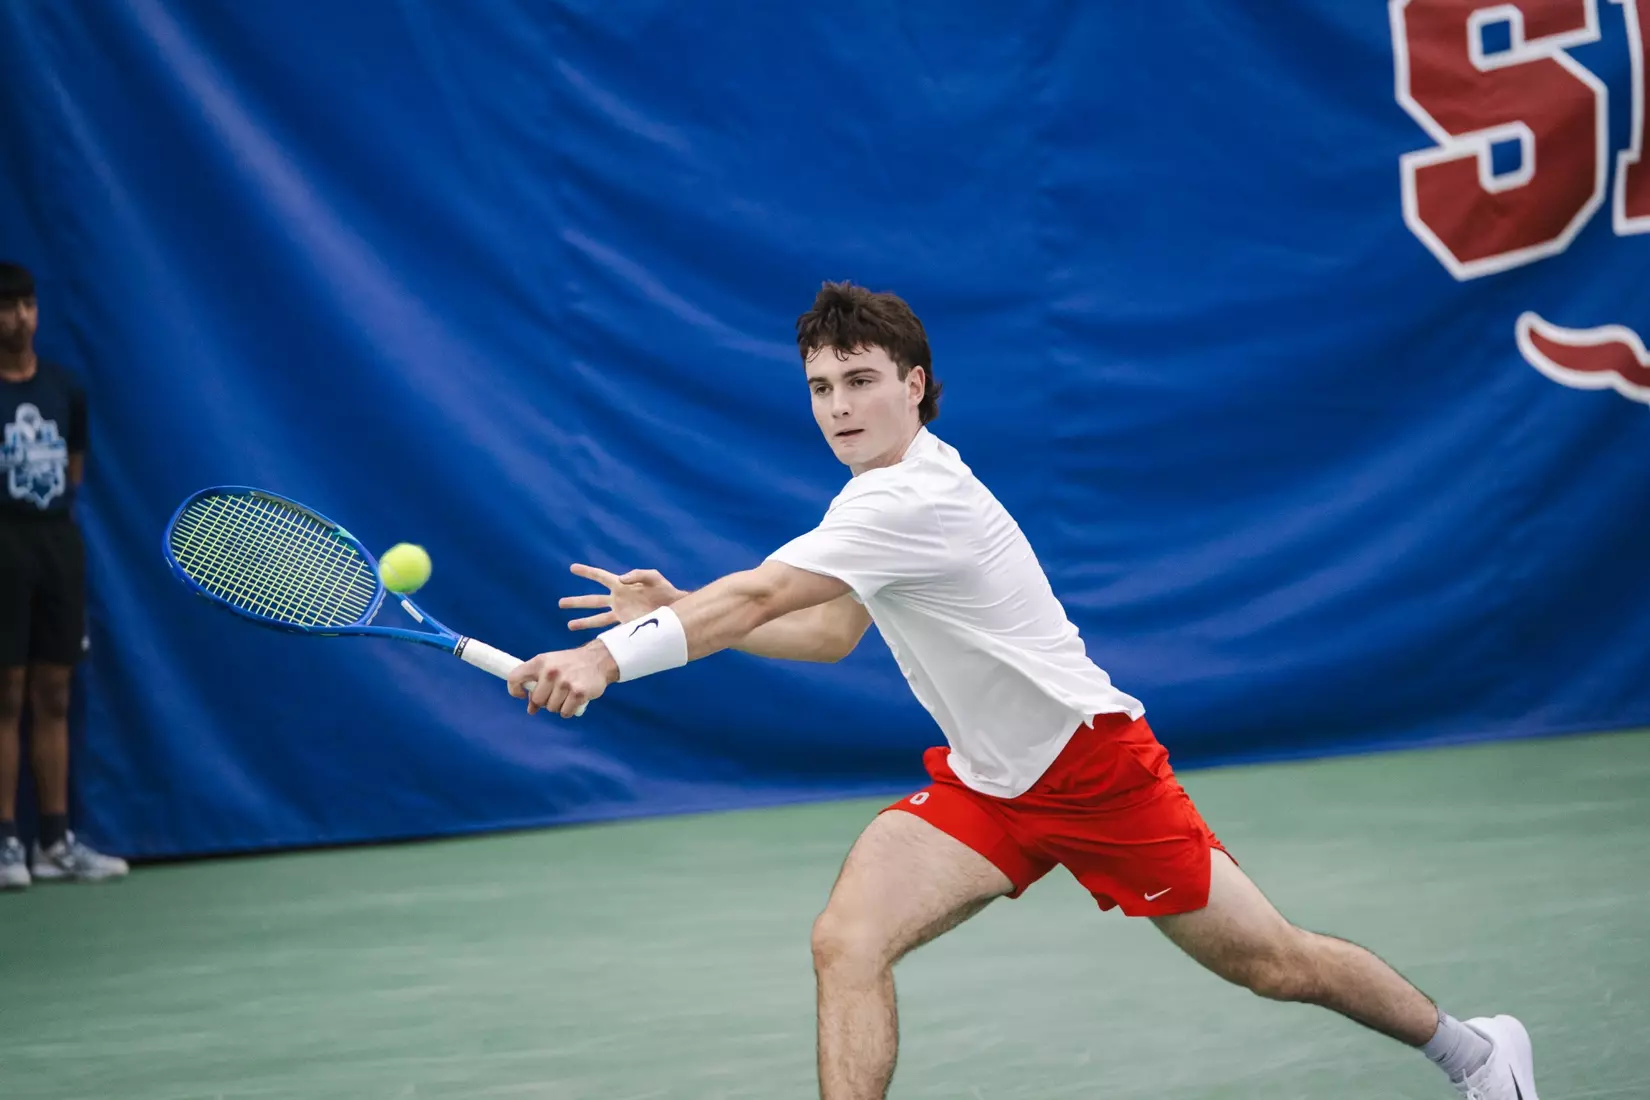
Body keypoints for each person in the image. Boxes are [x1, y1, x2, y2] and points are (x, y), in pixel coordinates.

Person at [507, 282, 1536, 1100]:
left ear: (915, 383)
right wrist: (686, 605)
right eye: (820, 387)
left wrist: (611, 657)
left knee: (1272, 960)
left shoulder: (914, 496)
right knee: (847, 938)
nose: (838, 407)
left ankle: (1476, 1051)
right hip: (990, 780)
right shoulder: (874, 496)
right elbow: (825, 629)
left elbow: (767, 590)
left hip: (1091, 766)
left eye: (859, 380)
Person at [0, 261, 128, 889]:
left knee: (53, 695)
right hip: (2, 549)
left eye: (27, 304)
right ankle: (6, 845)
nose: (19, 317)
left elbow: (73, 473)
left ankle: (54, 841)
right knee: (7, 695)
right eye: (6, 306)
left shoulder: (64, 388)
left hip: (57, 547)